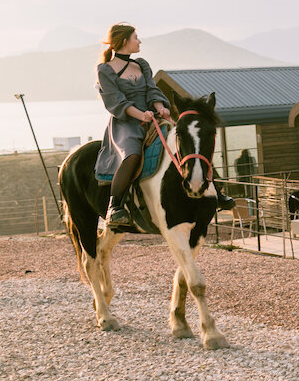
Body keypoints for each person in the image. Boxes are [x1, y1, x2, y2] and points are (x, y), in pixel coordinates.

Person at [94, 23, 232, 228]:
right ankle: (115, 206)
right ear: (124, 41)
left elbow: (152, 90)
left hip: (153, 118)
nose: (139, 41)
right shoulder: (105, 70)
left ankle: (215, 191)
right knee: (132, 155)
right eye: (136, 37)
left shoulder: (141, 65)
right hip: (126, 123)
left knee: (188, 142)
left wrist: (160, 107)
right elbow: (116, 101)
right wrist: (141, 114)